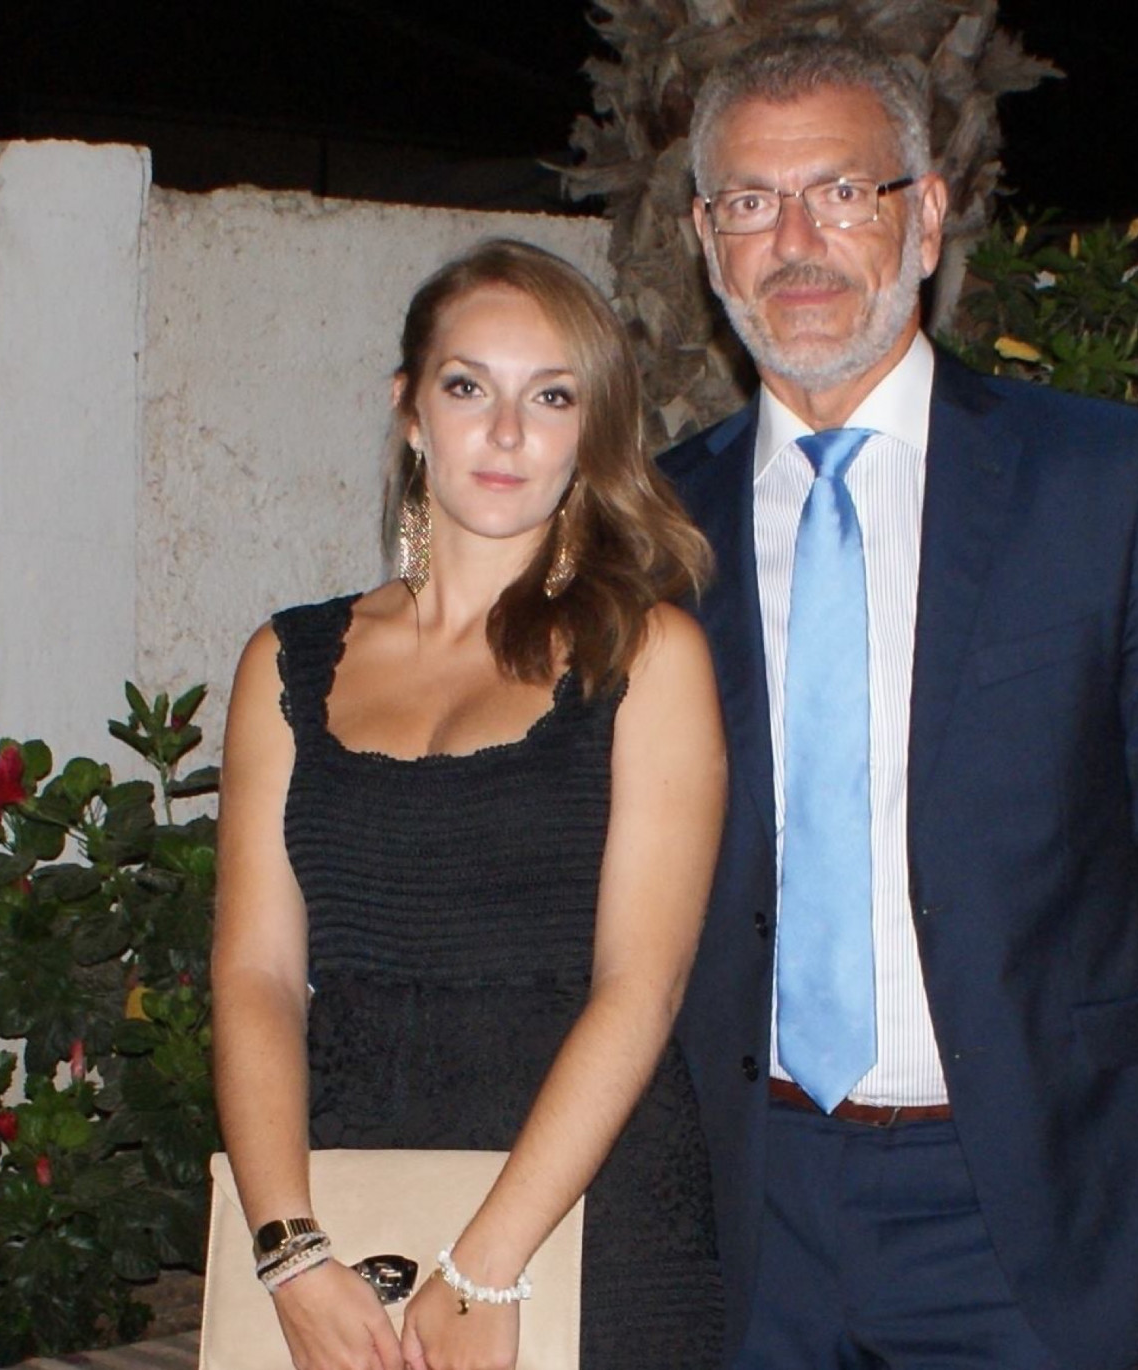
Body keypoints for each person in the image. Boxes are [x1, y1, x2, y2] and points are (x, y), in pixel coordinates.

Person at [661, 35, 1138, 1370]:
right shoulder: (654, 524)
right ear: (708, 242)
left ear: (928, 214)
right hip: (739, 1210)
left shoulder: (1100, 482)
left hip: (1028, 1207)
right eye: (752, 202)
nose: (796, 242)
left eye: (842, 192)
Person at [212, 238, 727, 1370]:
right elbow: (255, 976)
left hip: (588, 1218)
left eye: (551, 396)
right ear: (409, 410)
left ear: (591, 432)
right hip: (350, 1216)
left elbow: (640, 986)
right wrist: (289, 1247)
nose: (505, 432)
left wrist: (488, 1263)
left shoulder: (647, 656)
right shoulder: (286, 662)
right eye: (467, 387)